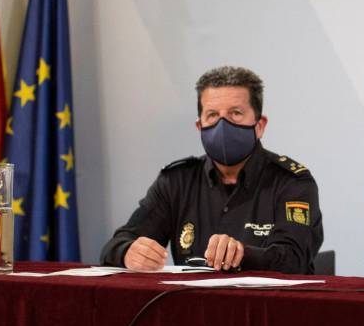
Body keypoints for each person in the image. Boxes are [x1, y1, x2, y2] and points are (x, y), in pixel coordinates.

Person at [100, 66, 323, 273]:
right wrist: (128, 253)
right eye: (212, 115)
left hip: (268, 310)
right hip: (192, 310)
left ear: (260, 125)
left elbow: (295, 259)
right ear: (200, 126)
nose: (222, 125)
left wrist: (240, 255)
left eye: (235, 113)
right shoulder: (177, 181)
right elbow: (117, 244)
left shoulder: (292, 182)